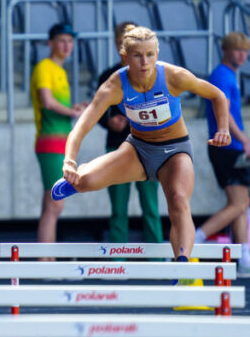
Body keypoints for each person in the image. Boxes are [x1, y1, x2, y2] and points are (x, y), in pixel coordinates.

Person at [52, 26, 231, 261]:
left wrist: (224, 129)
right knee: (87, 182)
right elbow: (82, 125)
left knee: (178, 201)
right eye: (137, 56)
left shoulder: (174, 77)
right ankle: (80, 175)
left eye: (150, 55)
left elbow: (217, 95)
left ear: (157, 54)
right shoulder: (114, 85)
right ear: (125, 57)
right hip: (138, 149)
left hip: (174, 151)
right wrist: (69, 161)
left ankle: (182, 262)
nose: (145, 62)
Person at [97, 22, 163, 245]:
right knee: (118, 207)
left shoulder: (155, 75)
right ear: (119, 46)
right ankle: (118, 260)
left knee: (151, 206)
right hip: (117, 146)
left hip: (148, 148)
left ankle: (157, 261)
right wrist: (110, 122)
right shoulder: (108, 75)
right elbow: (96, 112)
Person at [197, 32, 250, 274]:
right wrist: (244, 139)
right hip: (226, 146)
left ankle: (244, 255)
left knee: (240, 202)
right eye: (238, 50)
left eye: (245, 51)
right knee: (240, 202)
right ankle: (197, 238)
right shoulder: (220, 75)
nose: (243, 55)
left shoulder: (230, 76)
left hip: (232, 146)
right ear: (225, 51)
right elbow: (223, 112)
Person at [30, 23, 87, 245]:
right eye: (62, 40)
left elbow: (56, 105)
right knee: (55, 202)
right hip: (50, 140)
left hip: (61, 141)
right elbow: (47, 101)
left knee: (52, 203)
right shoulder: (45, 67)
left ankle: (47, 260)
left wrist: (73, 109)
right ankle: (46, 262)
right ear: (50, 43)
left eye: (70, 41)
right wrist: (72, 111)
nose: (67, 45)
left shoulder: (59, 70)